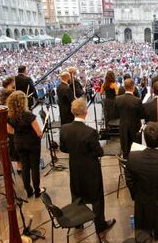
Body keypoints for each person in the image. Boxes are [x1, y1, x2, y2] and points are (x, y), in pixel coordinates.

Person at [60, 98, 116, 234]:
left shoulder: (64, 129)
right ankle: (100, 225)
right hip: (91, 169)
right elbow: (99, 152)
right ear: (85, 112)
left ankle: (78, 223)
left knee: (76, 194)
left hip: (74, 167)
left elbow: (63, 149)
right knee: (96, 198)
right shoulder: (90, 132)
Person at [6, 91, 45, 198]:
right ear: (23, 102)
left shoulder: (9, 116)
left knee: (25, 166)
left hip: (19, 143)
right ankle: (37, 191)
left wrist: (20, 133)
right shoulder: (28, 115)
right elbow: (39, 132)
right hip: (32, 144)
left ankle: (28, 191)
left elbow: (9, 130)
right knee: (34, 166)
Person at [115, 78, 143, 158]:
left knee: (125, 149)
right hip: (135, 127)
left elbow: (116, 114)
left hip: (123, 126)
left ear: (124, 87)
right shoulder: (137, 100)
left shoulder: (118, 99)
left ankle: (126, 165)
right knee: (137, 149)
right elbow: (141, 115)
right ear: (133, 87)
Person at [0, 77, 21, 174]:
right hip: (10, 126)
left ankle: (20, 165)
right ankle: (20, 165)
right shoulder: (8, 96)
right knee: (15, 143)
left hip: (10, 124)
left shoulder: (7, 94)